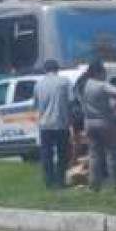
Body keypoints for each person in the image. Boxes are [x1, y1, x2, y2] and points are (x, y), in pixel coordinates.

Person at [76, 58, 116, 192]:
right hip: (104, 121)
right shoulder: (101, 85)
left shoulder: (83, 85)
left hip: (89, 122)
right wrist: (115, 108)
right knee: (112, 153)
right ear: (98, 72)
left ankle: (94, 185)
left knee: (94, 154)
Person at [33, 60, 74, 189]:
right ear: (57, 69)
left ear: (45, 70)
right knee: (62, 153)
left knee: (46, 154)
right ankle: (61, 181)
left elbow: (35, 105)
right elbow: (72, 100)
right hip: (61, 123)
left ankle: (49, 182)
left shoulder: (38, 85)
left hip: (44, 124)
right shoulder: (65, 82)